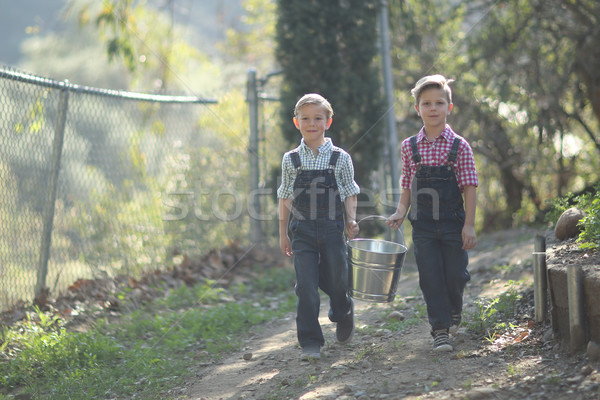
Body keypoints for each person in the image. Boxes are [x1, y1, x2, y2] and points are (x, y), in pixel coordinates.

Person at [386, 75, 478, 352]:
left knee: (456, 275)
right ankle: (440, 329)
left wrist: (469, 225)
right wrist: (401, 212)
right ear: (418, 109)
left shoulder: (459, 146)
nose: (433, 108)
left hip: (453, 223)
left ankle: (454, 308)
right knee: (429, 276)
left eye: (439, 103)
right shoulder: (409, 147)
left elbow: (469, 187)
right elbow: (407, 185)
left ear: (449, 107)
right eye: (426, 103)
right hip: (423, 225)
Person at [278, 93, 360, 360]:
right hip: (301, 232)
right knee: (306, 287)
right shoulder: (291, 160)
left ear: (328, 121)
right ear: (296, 122)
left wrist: (351, 219)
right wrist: (283, 234)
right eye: (305, 118)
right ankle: (310, 341)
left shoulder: (340, 158)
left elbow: (349, 191)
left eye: (317, 118)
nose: (311, 123)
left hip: (332, 229)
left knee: (337, 277)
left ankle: (343, 309)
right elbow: (285, 196)